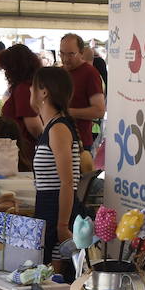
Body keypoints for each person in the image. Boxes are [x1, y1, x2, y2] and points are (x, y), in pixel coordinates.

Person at [30, 67, 82, 264]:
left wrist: (61, 226)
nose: (29, 91)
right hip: (48, 212)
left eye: (32, 88)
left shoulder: (58, 128)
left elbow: (68, 182)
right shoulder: (51, 126)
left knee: (55, 281)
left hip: (57, 214)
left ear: (44, 92)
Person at [58, 33, 107, 152]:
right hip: (57, 138)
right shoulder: (59, 73)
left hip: (79, 143)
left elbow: (99, 111)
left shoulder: (90, 73)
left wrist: (67, 113)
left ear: (81, 53)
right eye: (62, 53)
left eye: (71, 54)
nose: (65, 59)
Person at [0, 43, 42, 168]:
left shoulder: (23, 89)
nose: (5, 72)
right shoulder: (26, 87)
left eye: (7, 68)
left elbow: (33, 126)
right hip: (20, 151)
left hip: (21, 153)